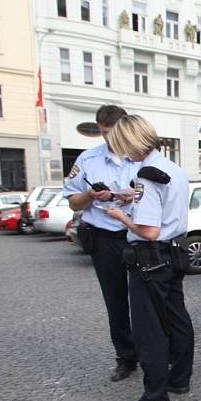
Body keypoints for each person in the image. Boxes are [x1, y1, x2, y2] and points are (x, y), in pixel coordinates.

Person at [105, 115, 195, 401]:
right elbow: (166, 199)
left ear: (132, 141)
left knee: (149, 329)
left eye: (120, 145)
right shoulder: (173, 169)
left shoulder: (146, 175)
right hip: (174, 254)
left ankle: (155, 396)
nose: (120, 152)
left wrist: (122, 217)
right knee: (177, 318)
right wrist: (131, 196)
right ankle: (179, 379)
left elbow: (149, 231)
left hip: (151, 257)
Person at [63, 105, 139, 382]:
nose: (108, 138)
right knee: (115, 301)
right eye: (104, 132)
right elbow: (73, 201)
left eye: (113, 132)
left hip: (139, 237)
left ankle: (155, 351)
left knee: (147, 299)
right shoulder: (87, 159)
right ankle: (126, 357)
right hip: (105, 239)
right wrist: (91, 196)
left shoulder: (140, 154)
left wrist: (131, 196)